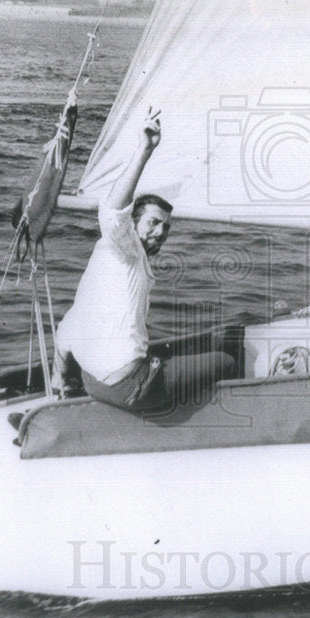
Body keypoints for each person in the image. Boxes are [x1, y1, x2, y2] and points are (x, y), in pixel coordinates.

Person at [53, 107, 235, 412]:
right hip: (131, 388)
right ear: (133, 223)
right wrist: (144, 149)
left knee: (163, 356)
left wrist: (64, 387)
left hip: (94, 383)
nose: (161, 231)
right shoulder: (125, 249)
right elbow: (113, 212)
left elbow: (64, 335)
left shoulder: (104, 264)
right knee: (225, 361)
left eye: (166, 227)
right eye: (153, 222)